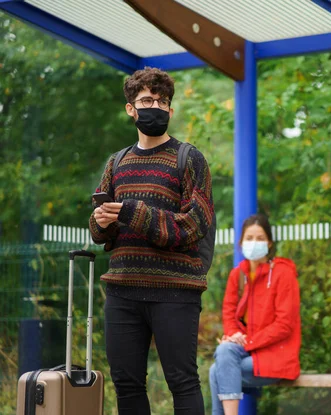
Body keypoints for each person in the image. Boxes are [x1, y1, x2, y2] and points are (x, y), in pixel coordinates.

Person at [89, 67, 215, 415]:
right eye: (147, 100)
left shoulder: (189, 159)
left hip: (175, 290)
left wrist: (132, 212)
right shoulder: (117, 162)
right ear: (131, 108)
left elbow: (194, 225)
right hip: (122, 291)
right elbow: (102, 233)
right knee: (126, 384)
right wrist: (101, 222)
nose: (155, 107)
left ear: (171, 110)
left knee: (183, 381)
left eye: (162, 101)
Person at [209, 214, 301, 415]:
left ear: (269, 243)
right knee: (224, 354)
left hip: (277, 355)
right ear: (241, 242)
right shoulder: (237, 274)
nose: (254, 243)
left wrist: (248, 342)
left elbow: (284, 324)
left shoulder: (283, 273)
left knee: (217, 370)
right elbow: (229, 312)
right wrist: (234, 336)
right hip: (248, 352)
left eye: (260, 238)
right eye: (249, 238)